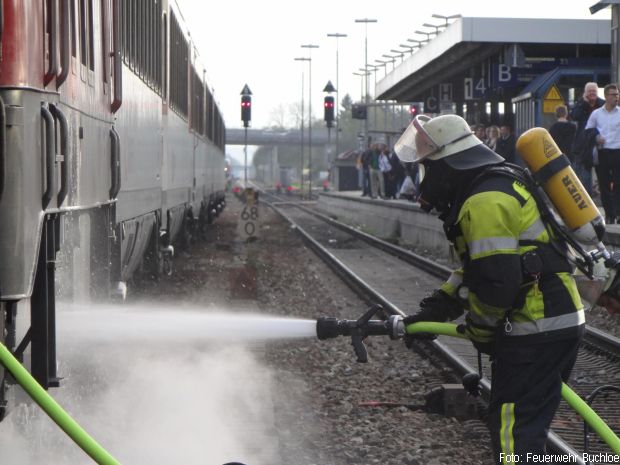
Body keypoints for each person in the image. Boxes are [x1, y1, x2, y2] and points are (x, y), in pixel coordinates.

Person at [394, 114, 584, 465]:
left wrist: (481, 329)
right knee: (525, 423)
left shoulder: (483, 201)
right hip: (552, 319)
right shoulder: (492, 187)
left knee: (514, 429)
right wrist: (438, 308)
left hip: (535, 326)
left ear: (447, 163)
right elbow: (476, 270)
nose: (425, 180)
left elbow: (498, 282)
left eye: (427, 168)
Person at [586, 83, 620, 224]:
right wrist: (596, 138)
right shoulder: (596, 114)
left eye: (617, 94)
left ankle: (618, 213)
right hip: (603, 152)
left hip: (618, 151)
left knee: (618, 183)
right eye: (613, 95)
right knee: (604, 184)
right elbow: (588, 131)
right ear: (606, 96)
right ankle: (609, 214)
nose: (616, 97)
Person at [571, 82, 605, 196]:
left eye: (594, 91)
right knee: (585, 176)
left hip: (601, 144)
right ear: (585, 93)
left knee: (603, 175)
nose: (592, 93)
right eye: (589, 91)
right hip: (584, 146)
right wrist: (584, 104)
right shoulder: (580, 104)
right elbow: (575, 116)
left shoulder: (603, 104)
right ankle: (588, 199)